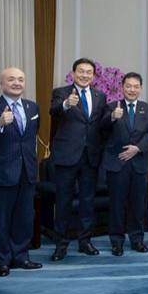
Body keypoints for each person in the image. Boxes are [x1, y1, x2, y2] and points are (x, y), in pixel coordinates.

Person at [0, 67, 42, 277]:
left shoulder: (32, 108)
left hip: (27, 172)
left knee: (24, 218)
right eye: (11, 79)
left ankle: (21, 257)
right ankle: (2, 261)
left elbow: (30, 138)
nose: (17, 83)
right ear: (1, 83)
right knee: (1, 220)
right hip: (0, 173)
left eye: (21, 79)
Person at [49, 58, 106, 261]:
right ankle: (61, 245)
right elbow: (53, 112)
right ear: (73, 73)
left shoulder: (100, 96)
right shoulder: (61, 93)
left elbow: (101, 124)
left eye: (89, 72)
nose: (84, 75)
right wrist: (65, 105)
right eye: (81, 71)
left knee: (87, 201)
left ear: (93, 75)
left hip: (90, 156)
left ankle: (85, 241)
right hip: (67, 155)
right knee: (63, 201)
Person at [101, 72, 148, 256]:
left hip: (139, 163)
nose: (132, 89)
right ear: (122, 87)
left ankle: (137, 240)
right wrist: (112, 118)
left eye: (136, 86)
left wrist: (138, 148)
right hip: (117, 163)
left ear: (140, 88)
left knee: (138, 204)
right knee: (117, 204)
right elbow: (101, 130)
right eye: (128, 86)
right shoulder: (111, 107)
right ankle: (116, 241)